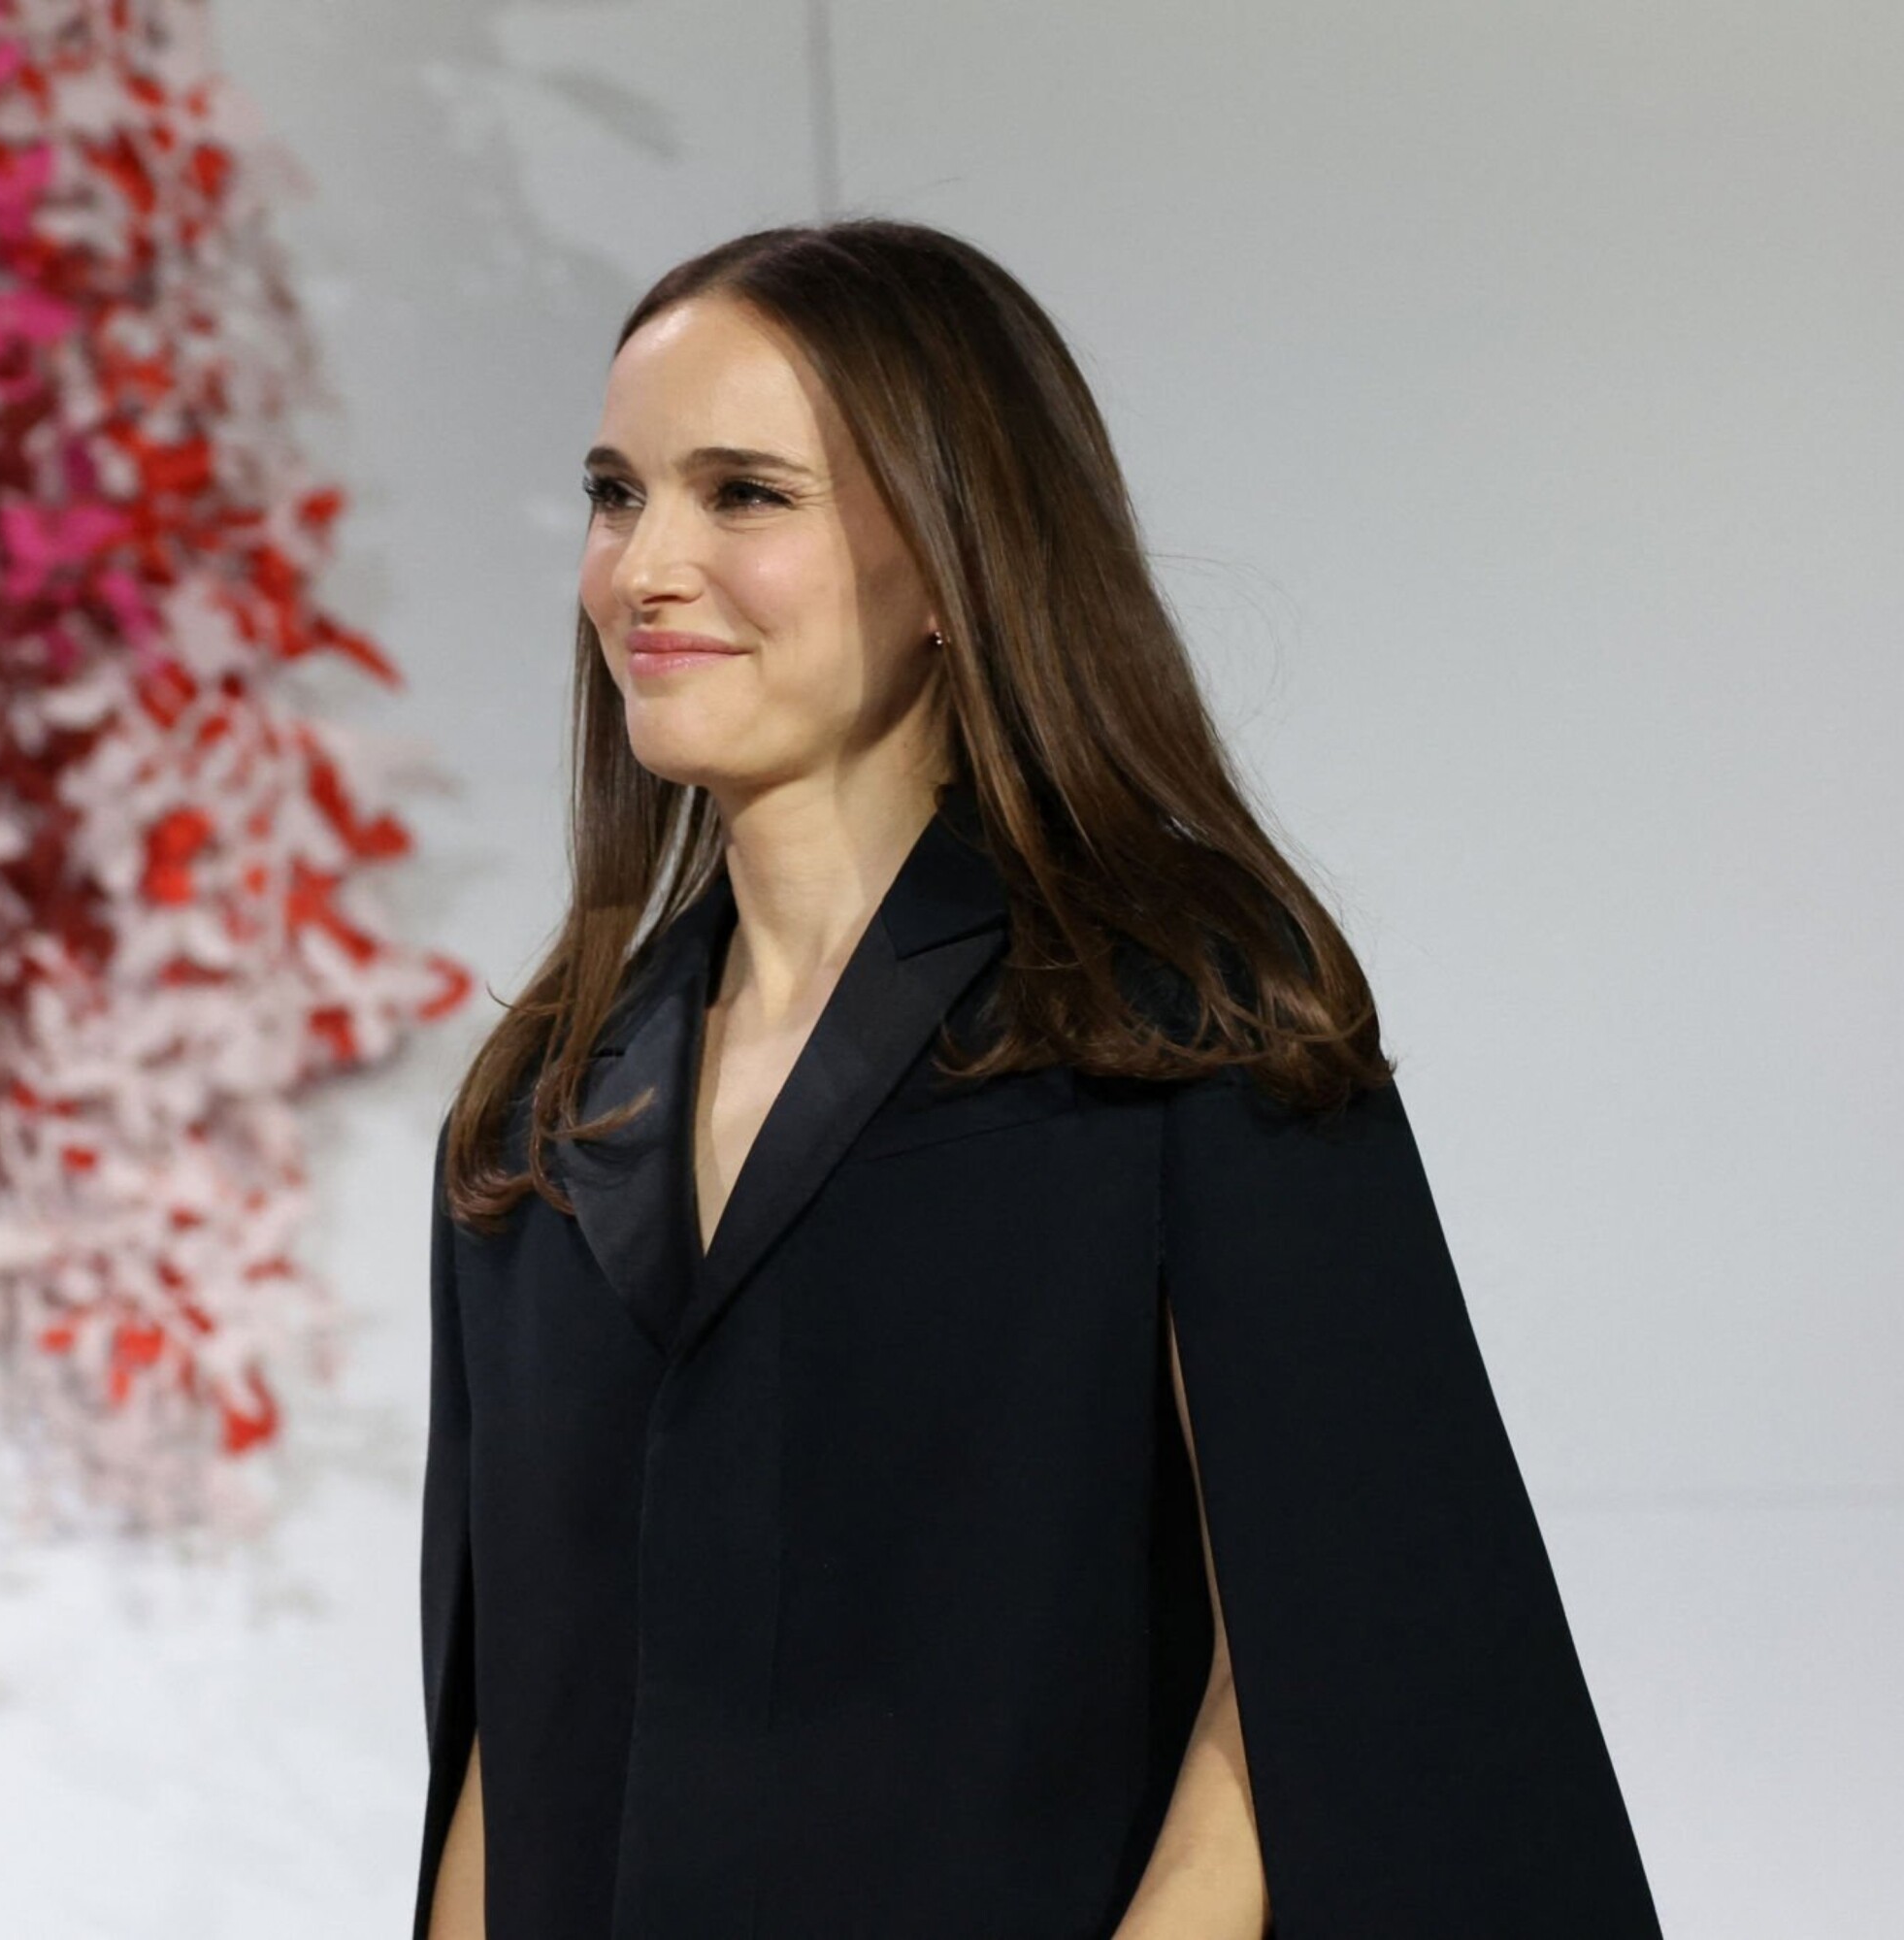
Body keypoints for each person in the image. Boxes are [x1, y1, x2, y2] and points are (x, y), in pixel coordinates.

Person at [411, 217, 1662, 1939]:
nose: (646, 568)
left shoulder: (1179, 1023)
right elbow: (513, 1731)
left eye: (745, 494)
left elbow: (1336, 1651)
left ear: (951, 555)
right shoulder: (544, 1117)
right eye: (617, 494)